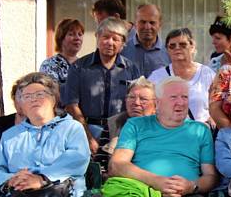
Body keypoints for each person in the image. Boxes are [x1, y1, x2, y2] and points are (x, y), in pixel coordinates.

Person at [64, 18, 141, 155]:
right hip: (87, 129)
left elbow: (137, 103)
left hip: (121, 131)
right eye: (105, 37)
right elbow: (71, 105)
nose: (109, 42)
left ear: (123, 43)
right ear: (97, 37)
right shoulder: (79, 67)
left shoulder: (131, 68)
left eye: (115, 39)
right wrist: (87, 137)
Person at [149, 28, 216, 125]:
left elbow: (218, 105)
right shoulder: (157, 77)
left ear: (192, 47)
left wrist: (210, 123)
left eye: (182, 45)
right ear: (167, 50)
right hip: (168, 133)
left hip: (201, 133)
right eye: (172, 46)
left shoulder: (207, 74)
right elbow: (149, 106)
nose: (177, 48)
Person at [103, 77, 157, 155]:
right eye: (131, 97)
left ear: (156, 104)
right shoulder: (113, 123)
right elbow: (101, 160)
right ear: (125, 100)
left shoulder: (165, 126)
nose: (136, 103)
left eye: (143, 99)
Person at [121, 3, 170, 76]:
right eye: (143, 22)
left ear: (160, 25)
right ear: (135, 23)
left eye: (152, 22)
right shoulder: (122, 50)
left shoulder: (169, 52)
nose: (147, 27)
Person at [39, 18, 85, 87]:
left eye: (80, 34)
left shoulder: (85, 65)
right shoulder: (49, 65)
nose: (77, 38)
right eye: (71, 34)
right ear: (60, 38)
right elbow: (51, 91)